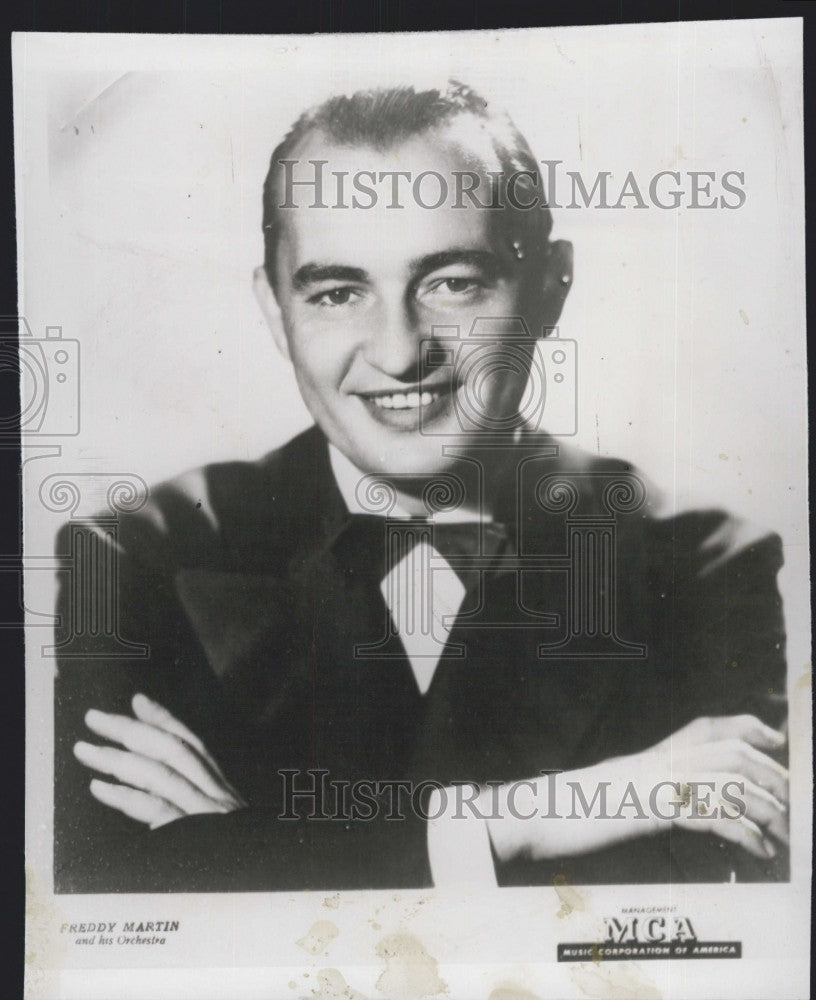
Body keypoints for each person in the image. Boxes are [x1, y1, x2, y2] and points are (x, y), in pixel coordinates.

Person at [54, 81, 789, 893]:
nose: (401, 353)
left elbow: (725, 913)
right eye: (338, 293)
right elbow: (107, 909)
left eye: (453, 283)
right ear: (272, 312)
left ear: (550, 286)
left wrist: (239, 846)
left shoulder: (698, 567)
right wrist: (529, 822)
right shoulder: (132, 559)